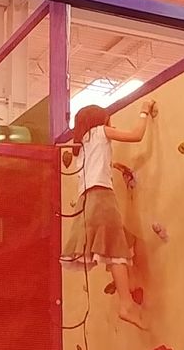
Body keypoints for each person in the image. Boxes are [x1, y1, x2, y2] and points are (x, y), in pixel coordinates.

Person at [61, 100, 155, 330]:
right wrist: (144, 111)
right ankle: (126, 304)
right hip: (102, 198)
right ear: (100, 120)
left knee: (120, 243)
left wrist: (113, 168)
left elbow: (96, 166)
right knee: (116, 252)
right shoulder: (100, 132)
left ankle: (126, 288)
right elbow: (136, 135)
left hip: (86, 203)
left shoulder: (82, 144)